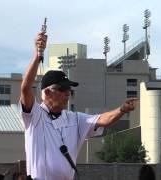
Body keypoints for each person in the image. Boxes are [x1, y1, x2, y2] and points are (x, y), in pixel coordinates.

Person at [19, 32, 137, 180]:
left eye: (69, 89)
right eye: (62, 89)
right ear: (47, 92)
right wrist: (38, 54)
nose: (68, 93)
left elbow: (103, 120)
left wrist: (122, 110)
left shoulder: (75, 119)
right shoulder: (34, 115)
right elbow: (25, 88)